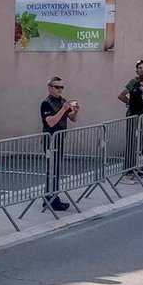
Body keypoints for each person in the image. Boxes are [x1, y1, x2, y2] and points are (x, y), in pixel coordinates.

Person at [40, 77, 79, 211]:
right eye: (57, 87)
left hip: (60, 139)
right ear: (50, 88)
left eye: (62, 87)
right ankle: (50, 198)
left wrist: (76, 111)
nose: (60, 90)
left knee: (56, 169)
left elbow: (72, 119)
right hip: (50, 140)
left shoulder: (62, 101)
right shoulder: (46, 103)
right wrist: (63, 109)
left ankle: (53, 197)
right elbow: (50, 122)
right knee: (51, 170)